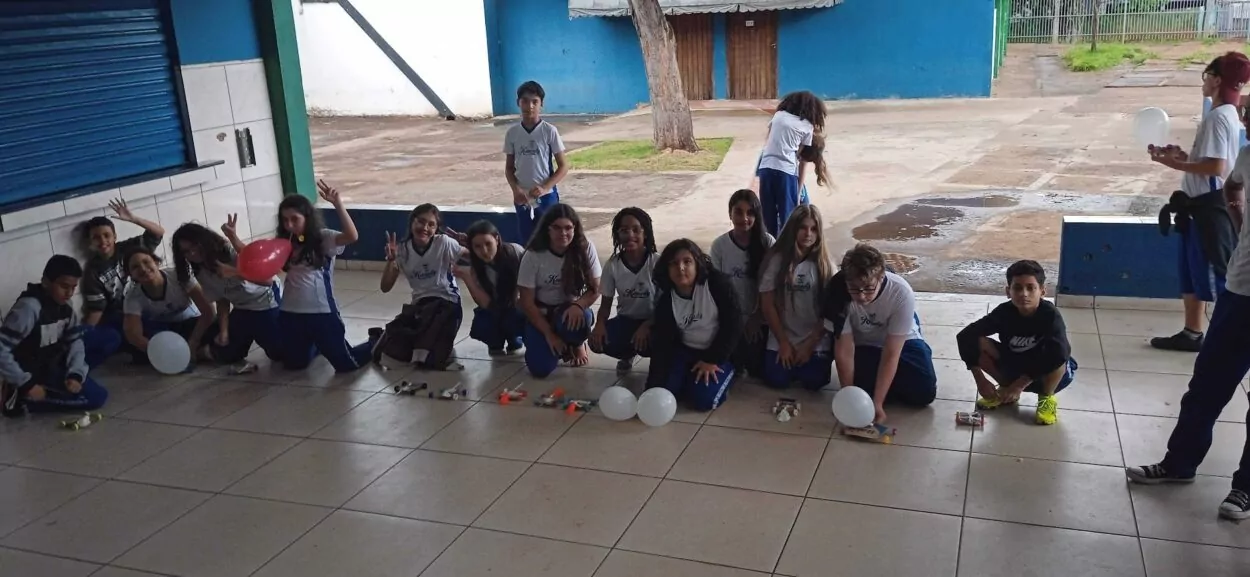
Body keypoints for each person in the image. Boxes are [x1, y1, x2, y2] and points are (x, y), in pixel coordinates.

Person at [1125, 137, 1250, 521]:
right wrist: (1239, 220)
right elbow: (1232, 185)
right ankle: (1179, 463)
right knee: (1206, 387)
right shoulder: (1249, 153)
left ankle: (1245, 488)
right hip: (1240, 290)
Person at [1149, 51, 1250, 352]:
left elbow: (1218, 168)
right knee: (1191, 275)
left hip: (1209, 207)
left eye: (1207, 75)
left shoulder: (1219, 117)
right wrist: (1184, 157)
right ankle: (1193, 332)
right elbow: (1212, 161)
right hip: (1197, 205)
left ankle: (1225, 340)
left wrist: (1175, 165)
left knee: (1217, 276)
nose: (1204, 82)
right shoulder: (1226, 114)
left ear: (1217, 80)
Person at [956, 260, 1077, 426]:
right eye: (1017, 288)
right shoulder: (1004, 312)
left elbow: (1060, 353)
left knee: (1060, 356)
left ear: (1042, 291)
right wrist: (980, 379)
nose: (1024, 294)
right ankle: (1003, 392)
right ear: (1008, 291)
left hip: (1045, 374)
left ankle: (1046, 399)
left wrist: (1020, 385)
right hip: (1015, 367)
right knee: (978, 342)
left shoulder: (1050, 316)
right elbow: (965, 335)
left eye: (1030, 287)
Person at [276, 181, 380, 372]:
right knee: (294, 364)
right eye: (285, 220)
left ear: (307, 218)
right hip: (290, 312)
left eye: (294, 219)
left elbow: (351, 236)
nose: (289, 225)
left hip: (321, 311)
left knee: (347, 365)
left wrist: (338, 204)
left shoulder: (323, 238)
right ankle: (317, 344)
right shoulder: (283, 243)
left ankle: (377, 340)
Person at [832, 243, 937, 424]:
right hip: (865, 342)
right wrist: (849, 400)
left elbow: (891, 353)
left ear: (881, 277)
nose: (862, 296)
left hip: (903, 340)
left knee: (924, 391)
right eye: (855, 289)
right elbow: (844, 350)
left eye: (869, 288)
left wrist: (878, 403)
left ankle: (886, 388)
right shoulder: (836, 292)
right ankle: (889, 384)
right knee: (859, 387)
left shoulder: (901, 292)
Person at [1, 256, 107, 417]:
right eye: (64, 286)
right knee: (97, 398)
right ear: (46, 283)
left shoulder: (66, 306)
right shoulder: (29, 309)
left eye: (73, 287)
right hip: (32, 370)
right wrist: (26, 384)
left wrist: (75, 373)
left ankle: (70, 380)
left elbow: (75, 341)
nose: (69, 293)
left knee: (109, 337)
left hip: (52, 357)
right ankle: (24, 400)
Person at [646, 239, 742, 411]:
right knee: (665, 391)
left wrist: (713, 359)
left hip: (718, 351)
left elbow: (733, 326)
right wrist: (653, 386)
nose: (680, 268)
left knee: (703, 400)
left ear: (697, 263)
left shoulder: (718, 285)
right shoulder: (666, 300)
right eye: (674, 263)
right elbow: (662, 343)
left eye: (687, 262)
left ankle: (731, 372)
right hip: (685, 351)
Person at [171, 220, 282, 367]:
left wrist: (235, 272)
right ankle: (207, 350)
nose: (192, 253)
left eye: (195, 246)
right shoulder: (199, 270)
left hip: (265, 301)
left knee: (279, 354)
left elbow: (266, 280)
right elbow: (221, 300)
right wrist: (224, 331)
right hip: (242, 307)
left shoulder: (227, 252)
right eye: (186, 251)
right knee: (228, 352)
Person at [377, 204, 466, 370]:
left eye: (431, 225)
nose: (425, 228)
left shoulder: (444, 243)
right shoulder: (402, 250)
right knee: (389, 351)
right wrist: (391, 261)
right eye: (421, 221)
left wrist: (470, 243)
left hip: (447, 302)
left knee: (427, 357)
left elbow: (475, 257)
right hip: (420, 306)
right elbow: (385, 287)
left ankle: (440, 350)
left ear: (436, 228)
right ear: (412, 222)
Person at [76, 198, 164, 367]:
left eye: (107, 235)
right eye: (96, 238)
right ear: (89, 242)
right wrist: (85, 334)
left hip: (142, 309)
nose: (102, 241)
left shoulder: (128, 248)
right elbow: (97, 310)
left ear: (115, 236)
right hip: (118, 317)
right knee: (116, 337)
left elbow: (158, 233)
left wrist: (133, 219)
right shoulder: (93, 272)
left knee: (160, 331)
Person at [517, 203, 601, 377]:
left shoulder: (585, 247)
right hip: (541, 312)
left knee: (582, 317)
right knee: (541, 370)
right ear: (547, 229)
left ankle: (577, 343)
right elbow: (526, 301)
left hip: (569, 310)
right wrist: (549, 334)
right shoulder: (533, 255)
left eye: (568, 228)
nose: (563, 233)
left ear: (575, 229)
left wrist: (579, 305)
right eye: (557, 228)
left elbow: (596, 288)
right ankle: (548, 341)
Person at [759, 205, 834, 390]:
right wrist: (783, 342)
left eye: (813, 229)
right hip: (783, 334)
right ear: (793, 228)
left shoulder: (826, 265)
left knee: (815, 381)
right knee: (776, 379)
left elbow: (830, 311)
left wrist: (809, 345)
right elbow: (767, 304)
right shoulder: (777, 260)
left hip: (814, 337)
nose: (808, 233)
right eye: (803, 227)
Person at [710, 189, 775, 376]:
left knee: (758, 370)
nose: (744, 218)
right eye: (738, 211)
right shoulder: (719, 246)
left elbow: (772, 288)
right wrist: (734, 322)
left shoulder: (767, 242)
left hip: (759, 318)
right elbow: (717, 290)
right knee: (732, 366)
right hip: (730, 317)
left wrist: (757, 316)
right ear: (730, 213)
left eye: (750, 213)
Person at [121, 247, 217, 369]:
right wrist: (162, 352)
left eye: (146, 262)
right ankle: (197, 353)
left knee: (218, 327)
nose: (143, 269)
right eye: (135, 267)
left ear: (156, 262)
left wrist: (193, 343)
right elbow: (134, 335)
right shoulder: (132, 296)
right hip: (162, 333)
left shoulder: (179, 276)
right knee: (131, 345)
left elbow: (208, 312)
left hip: (190, 325)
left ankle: (195, 351)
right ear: (130, 275)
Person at [589, 207, 657, 373]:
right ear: (617, 235)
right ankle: (627, 354)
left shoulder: (657, 262)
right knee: (596, 341)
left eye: (636, 229)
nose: (630, 235)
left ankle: (659, 359)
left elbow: (668, 304)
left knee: (653, 342)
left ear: (645, 233)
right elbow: (605, 305)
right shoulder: (613, 265)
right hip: (627, 320)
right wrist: (599, 324)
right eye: (624, 230)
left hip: (655, 320)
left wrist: (648, 325)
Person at [505, 80, 569, 244]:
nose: (530, 106)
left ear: (541, 104)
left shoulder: (549, 131)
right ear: (518, 103)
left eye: (535, 101)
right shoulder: (512, 133)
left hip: (546, 197)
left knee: (552, 239)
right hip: (522, 197)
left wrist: (545, 187)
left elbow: (563, 166)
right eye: (525, 101)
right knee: (527, 240)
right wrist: (516, 190)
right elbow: (509, 168)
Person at [757, 90, 826, 236]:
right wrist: (798, 192)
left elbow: (768, 141)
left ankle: (769, 247)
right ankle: (788, 251)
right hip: (785, 171)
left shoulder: (778, 116)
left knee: (767, 214)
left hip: (766, 167)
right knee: (788, 217)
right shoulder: (807, 126)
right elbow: (799, 158)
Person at [461, 220, 526, 356]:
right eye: (477, 246)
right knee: (483, 325)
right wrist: (467, 278)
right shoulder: (475, 267)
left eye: (488, 244)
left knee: (514, 317)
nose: (484, 251)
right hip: (495, 307)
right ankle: (497, 339)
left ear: (497, 239)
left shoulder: (515, 252)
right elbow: (484, 303)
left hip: (518, 306)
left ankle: (515, 336)